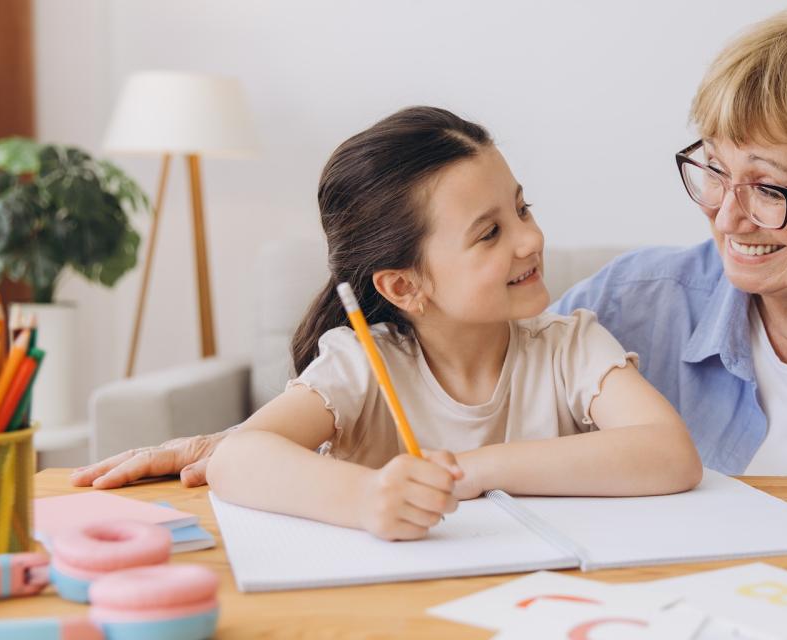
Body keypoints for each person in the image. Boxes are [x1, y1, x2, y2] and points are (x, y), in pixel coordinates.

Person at [72, 5, 787, 534]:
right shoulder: (639, 303)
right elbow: (464, 354)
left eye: (767, 185)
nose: (725, 217)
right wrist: (249, 436)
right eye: (712, 170)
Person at [198, 106, 700, 540]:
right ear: (404, 287)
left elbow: (670, 453)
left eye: (522, 209)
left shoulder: (570, 346)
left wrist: (473, 470)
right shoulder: (363, 363)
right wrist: (365, 498)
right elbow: (236, 458)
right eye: (490, 233)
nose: (529, 240)